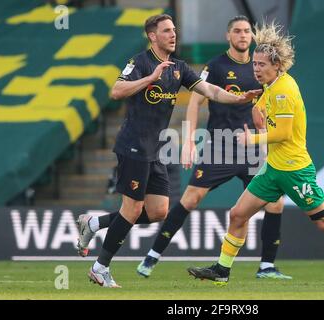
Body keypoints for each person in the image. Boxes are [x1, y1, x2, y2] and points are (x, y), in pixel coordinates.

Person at [187, 21, 324, 289]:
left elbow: (284, 133)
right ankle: (222, 270)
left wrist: (253, 137)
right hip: (273, 169)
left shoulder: (285, 89)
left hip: (295, 170)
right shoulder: (270, 87)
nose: (256, 69)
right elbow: (264, 113)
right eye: (254, 64)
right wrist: (256, 110)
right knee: (238, 214)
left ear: (277, 65)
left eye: (261, 65)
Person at [79, 13, 261, 288]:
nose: (173, 35)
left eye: (174, 30)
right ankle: (100, 267)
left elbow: (210, 90)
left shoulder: (179, 66)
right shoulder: (140, 62)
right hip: (134, 145)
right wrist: (149, 78)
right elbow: (116, 91)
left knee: (158, 211)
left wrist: (238, 99)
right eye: (166, 31)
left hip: (157, 147)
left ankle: (94, 224)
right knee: (131, 210)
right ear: (152, 36)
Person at [136, 16, 290, 280]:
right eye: (237, 31)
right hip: (220, 145)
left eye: (247, 32)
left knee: (275, 202)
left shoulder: (262, 67)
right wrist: (189, 140)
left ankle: (266, 266)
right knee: (191, 199)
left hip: (253, 147)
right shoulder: (217, 66)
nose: (243, 36)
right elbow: (196, 102)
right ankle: (153, 256)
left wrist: (266, 136)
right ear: (228, 36)